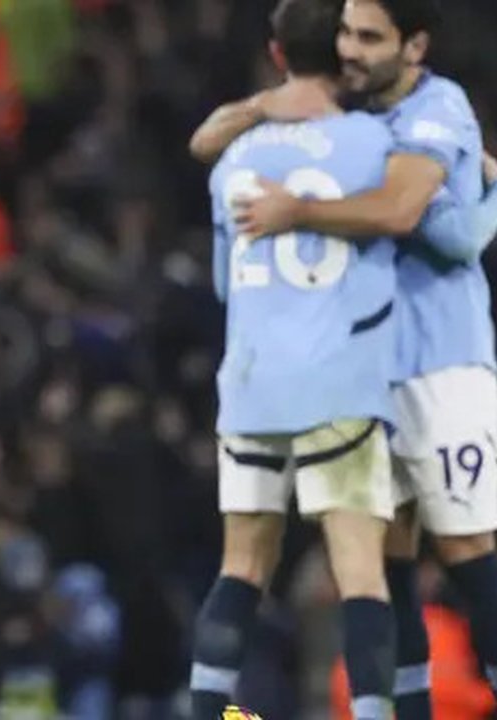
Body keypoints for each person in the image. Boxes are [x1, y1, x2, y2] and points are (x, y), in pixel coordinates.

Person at [191, 1, 497, 716]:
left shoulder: (437, 108)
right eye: (346, 35)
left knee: (468, 551)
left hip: (440, 361)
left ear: (413, 47)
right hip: (367, 370)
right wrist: (264, 105)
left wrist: (296, 211)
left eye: (369, 38)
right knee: (390, 565)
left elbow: (428, 227)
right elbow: (204, 140)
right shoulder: (347, 119)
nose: (353, 50)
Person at [191, 0, 403, 716]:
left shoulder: (235, 160)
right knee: (360, 570)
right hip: (338, 379)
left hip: (252, 384)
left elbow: (225, 284)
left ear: (277, 56)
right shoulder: (372, 145)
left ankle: (205, 711)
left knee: (242, 565)